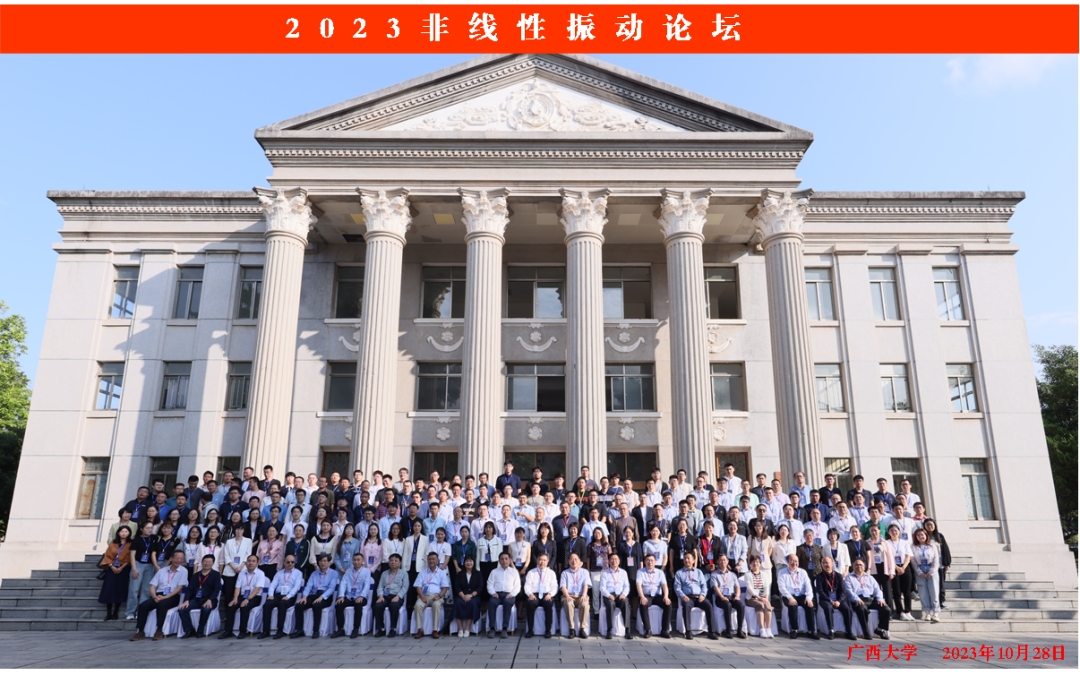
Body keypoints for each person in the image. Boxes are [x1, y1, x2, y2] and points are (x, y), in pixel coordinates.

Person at [130, 549, 188, 641]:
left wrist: (165, 597)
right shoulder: (162, 571)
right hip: (158, 595)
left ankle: (159, 630)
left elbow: (179, 588)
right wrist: (154, 597)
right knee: (143, 606)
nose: (179, 560)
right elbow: (152, 587)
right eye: (177, 558)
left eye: (181, 558)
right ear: (171, 558)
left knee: (162, 604)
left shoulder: (183, 571)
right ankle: (140, 631)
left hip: (172, 596)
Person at [218, 554, 266, 639]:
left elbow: (257, 589)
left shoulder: (261, 573)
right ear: (246, 563)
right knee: (231, 606)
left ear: (257, 563)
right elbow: (237, 587)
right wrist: (235, 599)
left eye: (253, 561)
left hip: (254, 597)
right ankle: (227, 631)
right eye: (249, 561)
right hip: (242, 596)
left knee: (244, 607)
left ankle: (242, 631)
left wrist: (248, 599)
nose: (251, 563)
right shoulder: (242, 573)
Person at [673, 550, 718, 640]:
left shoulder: (698, 572)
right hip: (688, 597)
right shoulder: (679, 573)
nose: (686, 560)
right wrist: (682, 596)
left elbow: (704, 585)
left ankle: (711, 632)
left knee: (709, 605)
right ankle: (688, 631)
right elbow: (677, 587)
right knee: (686, 606)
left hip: (699, 597)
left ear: (693, 560)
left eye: (688, 558)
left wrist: (703, 595)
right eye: (685, 558)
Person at [844, 558, 891, 640]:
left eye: (861, 565)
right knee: (861, 609)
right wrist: (857, 599)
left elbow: (877, 590)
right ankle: (866, 632)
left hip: (871, 599)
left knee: (886, 609)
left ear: (864, 567)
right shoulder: (849, 577)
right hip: (858, 599)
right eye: (856, 565)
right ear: (853, 567)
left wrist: (880, 599)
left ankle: (880, 629)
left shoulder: (870, 577)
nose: (859, 566)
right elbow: (849, 591)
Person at [177, 553, 222, 639]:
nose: (207, 563)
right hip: (196, 600)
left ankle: (200, 630)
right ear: (201, 562)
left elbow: (217, 589)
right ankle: (189, 630)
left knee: (206, 609)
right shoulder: (195, 575)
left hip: (210, 600)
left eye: (209, 562)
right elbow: (189, 590)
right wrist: (186, 600)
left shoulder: (216, 575)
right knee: (182, 609)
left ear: (213, 563)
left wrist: (210, 599)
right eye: (205, 561)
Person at [294, 554, 339, 638]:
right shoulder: (314, 573)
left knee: (316, 605)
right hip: (314, 595)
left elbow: (331, 589)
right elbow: (308, 586)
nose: (323, 563)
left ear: (329, 562)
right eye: (321, 561)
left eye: (325, 561)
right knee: (299, 605)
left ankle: (316, 630)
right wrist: (304, 597)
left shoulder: (334, 573)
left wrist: (321, 597)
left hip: (325, 597)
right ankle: (299, 630)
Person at [259, 554, 304, 639]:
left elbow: (296, 587)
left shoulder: (298, 573)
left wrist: (289, 596)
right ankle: (265, 631)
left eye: (292, 562)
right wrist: (271, 595)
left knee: (282, 604)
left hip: (290, 596)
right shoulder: (279, 573)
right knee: (267, 604)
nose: (290, 564)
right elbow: (273, 585)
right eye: (288, 562)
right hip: (278, 595)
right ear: (284, 562)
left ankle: (280, 630)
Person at [777, 553, 819, 640]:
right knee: (792, 605)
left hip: (801, 595)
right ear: (788, 562)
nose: (794, 563)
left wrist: (809, 598)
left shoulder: (803, 572)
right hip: (788, 595)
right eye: (792, 561)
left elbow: (808, 587)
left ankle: (811, 631)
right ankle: (794, 630)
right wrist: (790, 597)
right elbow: (781, 588)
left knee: (809, 605)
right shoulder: (782, 572)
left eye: (796, 561)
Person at [332, 552, 373, 638]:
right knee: (339, 604)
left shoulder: (366, 571)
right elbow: (343, 583)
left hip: (361, 596)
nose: (356, 562)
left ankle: (356, 629)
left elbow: (367, 585)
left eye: (358, 560)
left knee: (358, 605)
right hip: (349, 596)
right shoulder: (348, 571)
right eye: (354, 560)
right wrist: (341, 596)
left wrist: (361, 596)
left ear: (362, 561)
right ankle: (340, 629)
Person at [814, 556, 854, 640]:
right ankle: (831, 630)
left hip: (838, 599)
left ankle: (849, 631)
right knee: (828, 608)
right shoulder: (819, 577)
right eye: (823, 563)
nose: (826, 565)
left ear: (832, 563)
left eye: (827, 562)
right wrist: (830, 601)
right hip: (825, 599)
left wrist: (839, 601)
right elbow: (820, 592)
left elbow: (843, 591)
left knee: (847, 609)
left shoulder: (838, 576)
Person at [98, 525, 132, 621]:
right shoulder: (113, 543)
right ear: (118, 533)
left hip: (124, 568)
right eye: (122, 531)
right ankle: (108, 613)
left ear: (129, 533)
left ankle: (115, 612)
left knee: (119, 590)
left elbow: (130, 558)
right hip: (111, 568)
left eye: (126, 531)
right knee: (109, 589)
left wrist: (121, 568)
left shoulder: (130, 544)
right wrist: (112, 566)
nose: (124, 533)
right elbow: (107, 556)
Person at [414, 551, 451, 639]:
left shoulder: (441, 573)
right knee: (417, 605)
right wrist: (422, 596)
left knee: (436, 605)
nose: (431, 561)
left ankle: (435, 630)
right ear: (427, 560)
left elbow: (445, 587)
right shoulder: (422, 573)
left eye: (433, 559)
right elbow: (418, 586)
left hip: (436, 596)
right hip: (424, 596)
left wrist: (439, 596)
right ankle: (420, 629)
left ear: (437, 560)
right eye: (430, 559)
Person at [709, 554, 746, 639]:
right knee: (727, 605)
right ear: (718, 562)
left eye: (724, 560)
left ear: (727, 561)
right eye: (721, 560)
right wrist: (722, 597)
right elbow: (715, 587)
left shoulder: (732, 574)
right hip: (720, 597)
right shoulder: (714, 574)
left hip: (731, 596)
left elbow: (737, 587)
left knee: (741, 605)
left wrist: (737, 596)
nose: (723, 562)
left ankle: (739, 630)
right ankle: (728, 631)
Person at [126, 520, 157, 620]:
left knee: (146, 590)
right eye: (147, 528)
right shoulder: (137, 540)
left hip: (150, 566)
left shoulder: (154, 538)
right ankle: (130, 612)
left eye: (151, 528)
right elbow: (132, 555)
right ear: (141, 529)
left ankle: (141, 611)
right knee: (134, 589)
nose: (149, 530)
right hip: (138, 564)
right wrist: (134, 568)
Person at [636, 553, 672, 638]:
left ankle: (664, 630)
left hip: (657, 596)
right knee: (643, 604)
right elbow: (638, 585)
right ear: (645, 562)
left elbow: (664, 586)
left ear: (655, 562)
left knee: (668, 604)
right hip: (646, 595)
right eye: (648, 560)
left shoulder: (660, 572)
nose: (650, 562)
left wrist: (666, 597)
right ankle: (648, 630)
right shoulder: (640, 571)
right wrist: (642, 597)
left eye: (652, 560)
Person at [523, 552, 557, 638]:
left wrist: (550, 594)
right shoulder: (531, 572)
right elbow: (527, 585)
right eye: (540, 560)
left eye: (544, 560)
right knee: (530, 604)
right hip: (535, 594)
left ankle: (548, 630)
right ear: (537, 561)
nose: (542, 562)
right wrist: (530, 594)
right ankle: (530, 630)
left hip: (547, 594)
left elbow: (554, 586)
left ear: (547, 561)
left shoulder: (551, 573)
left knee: (548, 604)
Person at [598, 552, 632, 640]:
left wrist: (624, 594)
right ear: (609, 561)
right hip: (609, 595)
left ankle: (627, 630)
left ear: (619, 561)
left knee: (625, 603)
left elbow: (627, 586)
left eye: (616, 559)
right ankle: (609, 630)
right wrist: (609, 595)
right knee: (610, 604)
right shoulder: (605, 573)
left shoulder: (623, 572)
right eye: (612, 559)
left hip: (620, 595)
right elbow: (602, 588)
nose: (614, 561)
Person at [373, 553, 408, 637]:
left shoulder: (404, 573)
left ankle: (393, 629)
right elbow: (380, 586)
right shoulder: (384, 573)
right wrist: (380, 596)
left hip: (396, 596)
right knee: (378, 605)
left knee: (394, 605)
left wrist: (398, 596)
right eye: (391, 560)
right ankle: (381, 629)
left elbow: (405, 587)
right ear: (388, 562)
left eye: (396, 560)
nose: (393, 562)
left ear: (400, 562)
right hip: (385, 596)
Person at [885, 523, 915, 621]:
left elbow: (908, 556)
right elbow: (887, 557)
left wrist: (903, 567)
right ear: (889, 533)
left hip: (905, 567)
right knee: (897, 591)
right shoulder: (887, 543)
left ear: (899, 531)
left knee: (907, 591)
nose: (894, 532)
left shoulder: (904, 543)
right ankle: (900, 612)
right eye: (892, 531)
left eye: (896, 530)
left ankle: (908, 611)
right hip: (893, 568)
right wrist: (897, 568)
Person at [911, 527, 940, 623]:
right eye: (918, 535)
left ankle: (935, 613)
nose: (920, 536)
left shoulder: (932, 545)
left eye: (922, 535)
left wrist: (932, 571)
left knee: (934, 591)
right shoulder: (913, 547)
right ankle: (927, 612)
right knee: (923, 592)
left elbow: (936, 559)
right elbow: (913, 561)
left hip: (931, 568)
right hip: (920, 570)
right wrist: (919, 572)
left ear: (926, 535)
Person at [559, 552, 591, 639]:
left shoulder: (585, 572)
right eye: (572, 559)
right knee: (568, 603)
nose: (574, 561)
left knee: (585, 604)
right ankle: (571, 629)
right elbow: (563, 587)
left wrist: (584, 595)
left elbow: (586, 585)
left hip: (581, 595)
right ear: (568, 561)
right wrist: (567, 596)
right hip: (568, 595)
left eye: (576, 559)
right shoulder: (565, 573)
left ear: (580, 561)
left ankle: (582, 629)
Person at [922, 518, 951, 610]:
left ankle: (941, 602)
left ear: (935, 525)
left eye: (931, 524)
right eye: (927, 525)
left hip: (940, 564)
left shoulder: (939, 536)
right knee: (931, 585)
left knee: (941, 584)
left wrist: (947, 563)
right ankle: (932, 603)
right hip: (928, 565)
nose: (930, 526)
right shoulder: (923, 536)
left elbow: (945, 549)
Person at [743, 555, 774, 639]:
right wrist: (759, 598)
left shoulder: (764, 574)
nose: (755, 563)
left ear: (760, 563)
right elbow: (749, 588)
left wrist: (766, 598)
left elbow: (767, 587)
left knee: (768, 605)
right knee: (760, 604)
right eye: (753, 562)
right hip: (751, 598)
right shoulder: (747, 574)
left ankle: (768, 629)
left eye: (757, 562)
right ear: (750, 563)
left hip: (763, 597)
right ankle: (762, 629)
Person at [453, 556, 482, 638]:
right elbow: (457, 587)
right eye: (467, 561)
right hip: (462, 595)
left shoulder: (478, 573)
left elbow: (480, 587)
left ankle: (467, 628)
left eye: (471, 561)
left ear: (474, 562)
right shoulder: (460, 573)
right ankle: (460, 628)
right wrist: (463, 596)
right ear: (464, 563)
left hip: (473, 596)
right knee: (457, 603)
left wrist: (471, 595)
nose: (469, 563)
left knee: (472, 603)